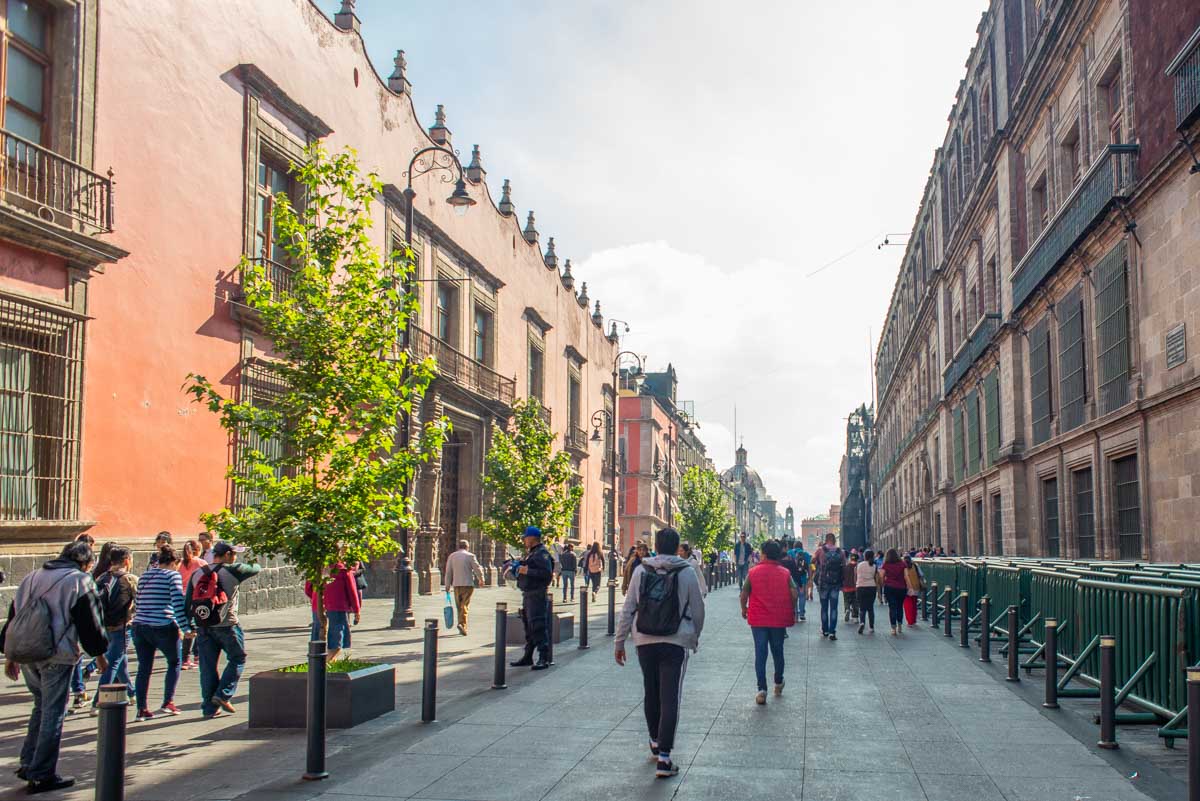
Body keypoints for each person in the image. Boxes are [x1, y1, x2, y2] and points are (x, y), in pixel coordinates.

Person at [1, 541, 108, 793]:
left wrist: (10, 655)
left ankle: (29, 762)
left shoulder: (31, 576)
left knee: (40, 707)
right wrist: (100, 655)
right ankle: (42, 773)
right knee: (53, 713)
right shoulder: (80, 581)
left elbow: (15, 615)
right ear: (85, 562)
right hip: (57, 655)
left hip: (28, 653)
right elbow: (90, 623)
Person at [614, 527, 705, 779]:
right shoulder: (686, 572)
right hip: (675, 641)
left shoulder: (642, 570)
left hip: (644, 639)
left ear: (656, 544)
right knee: (670, 696)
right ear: (677, 548)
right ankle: (664, 758)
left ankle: (655, 742)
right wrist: (694, 636)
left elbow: (628, 607)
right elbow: (698, 609)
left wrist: (620, 641)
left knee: (651, 691)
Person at [186, 542, 261, 719]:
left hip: (204, 626)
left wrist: (189, 625)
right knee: (238, 658)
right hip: (228, 625)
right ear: (227, 554)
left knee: (207, 666)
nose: (235, 557)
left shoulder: (197, 574)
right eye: (234, 554)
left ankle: (208, 708)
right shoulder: (234, 570)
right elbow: (256, 568)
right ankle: (223, 693)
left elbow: (187, 602)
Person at [132, 545, 190, 720]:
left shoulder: (145, 575)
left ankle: (141, 708)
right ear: (176, 562)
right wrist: (186, 627)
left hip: (140, 625)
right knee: (174, 662)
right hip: (163, 625)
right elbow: (178, 603)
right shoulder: (173, 576)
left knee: (144, 667)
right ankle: (168, 702)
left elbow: (138, 600)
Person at [740, 540, 797, 705]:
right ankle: (778, 682)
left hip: (758, 619)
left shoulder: (753, 572)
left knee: (760, 652)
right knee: (778, 650)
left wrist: (744, 608)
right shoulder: (785, 573)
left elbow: (744, 593)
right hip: (779, 618)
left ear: (763, 554)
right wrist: (791, 609)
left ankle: (761, 689)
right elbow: (793, 594)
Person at [91, 546, 137, 714]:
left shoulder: (101, 578)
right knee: (113, 663)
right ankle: (98, 700)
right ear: (127, 560)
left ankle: (132, 693)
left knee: (121, 661)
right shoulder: (130, 579)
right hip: (122, 626)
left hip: (104, 626)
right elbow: (140, 601)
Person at [509, 526, 553, 670]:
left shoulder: (542, 553)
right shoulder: (532, 553)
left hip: (537, 594)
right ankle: (528, 656)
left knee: (538, 625)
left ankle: (543, 658)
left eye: (525, 538)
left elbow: (546, 574)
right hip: (528, 594)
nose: (524, 540)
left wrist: (527, 570)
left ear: (532, 538)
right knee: (529, 626)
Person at [305, 559, 361, 659]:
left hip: (318, 605)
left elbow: (308, 589)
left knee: (318, 630)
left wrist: (315, 599)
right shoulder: (343, 570)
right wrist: (356, 609)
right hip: (337, 604)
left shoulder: (316, 569)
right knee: (337, 632)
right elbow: (352, 591)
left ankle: (317, 660)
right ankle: (328, 661)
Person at [442, 539, 483, 635]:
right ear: (467, 547)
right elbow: (477, 568)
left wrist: (447, 585)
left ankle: (462, 624)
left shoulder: (452, 556)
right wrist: (481, 579)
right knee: (464, 605)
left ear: (458, 546)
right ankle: (462, 624)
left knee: (459, 606)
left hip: (456, 585)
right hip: (468, 584)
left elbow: (448, 572)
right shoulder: (470, 556)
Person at [178, 540, 207, 670]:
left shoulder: (180, 563)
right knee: (199, 627)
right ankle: (197, 657)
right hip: (196, 597)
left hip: (181, 597)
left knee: (186, 628)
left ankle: (184, 659)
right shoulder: (201, 563)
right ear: (198, 550)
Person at [813, 533, 844, 640]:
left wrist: (818, 565)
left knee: (824, 608)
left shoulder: (820, 550)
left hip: (824, 583)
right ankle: (832, 632)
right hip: (835, 584)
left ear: (826, 540)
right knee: (834, 608)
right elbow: (844, 566)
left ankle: (825, 630)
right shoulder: (840, 552)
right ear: (835, 540)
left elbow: (812, 561)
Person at [880, 549, 908, 636]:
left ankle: (893, 628)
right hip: (901, 588)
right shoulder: (903, 564)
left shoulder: (886, 564)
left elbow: (881, 576)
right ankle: (900, 625)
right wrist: (909, 587)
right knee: (900, 606)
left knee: (892, 607)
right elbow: (906, 576)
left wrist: (883, 583)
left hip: (890, 588)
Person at [855, 549, 879, 634]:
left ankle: (862, 622)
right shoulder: (874, 565)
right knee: (870, 608)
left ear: (864, 556)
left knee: (862, 608)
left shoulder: (859, 565)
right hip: (871, 587)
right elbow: (876, 578)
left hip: (860, 587)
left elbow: (856, 575)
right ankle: (871, 627)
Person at [903, 555, 923, 627]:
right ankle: (914, 620)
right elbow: (921, 574)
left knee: (908, 605)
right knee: (914, 604)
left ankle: (910, 621)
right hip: (916, 587)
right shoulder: (915, 565)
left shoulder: (903, 567)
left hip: (907, 587)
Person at [841, 550, 859, 623]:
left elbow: (842, 577)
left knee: (846, 600)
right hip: (856, 587)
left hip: (846, 587)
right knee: (855, 602)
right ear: (857, 559)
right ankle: (855, 617)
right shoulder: (858, 567)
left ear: (850, 559)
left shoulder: (845, 567)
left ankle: (847, 609)